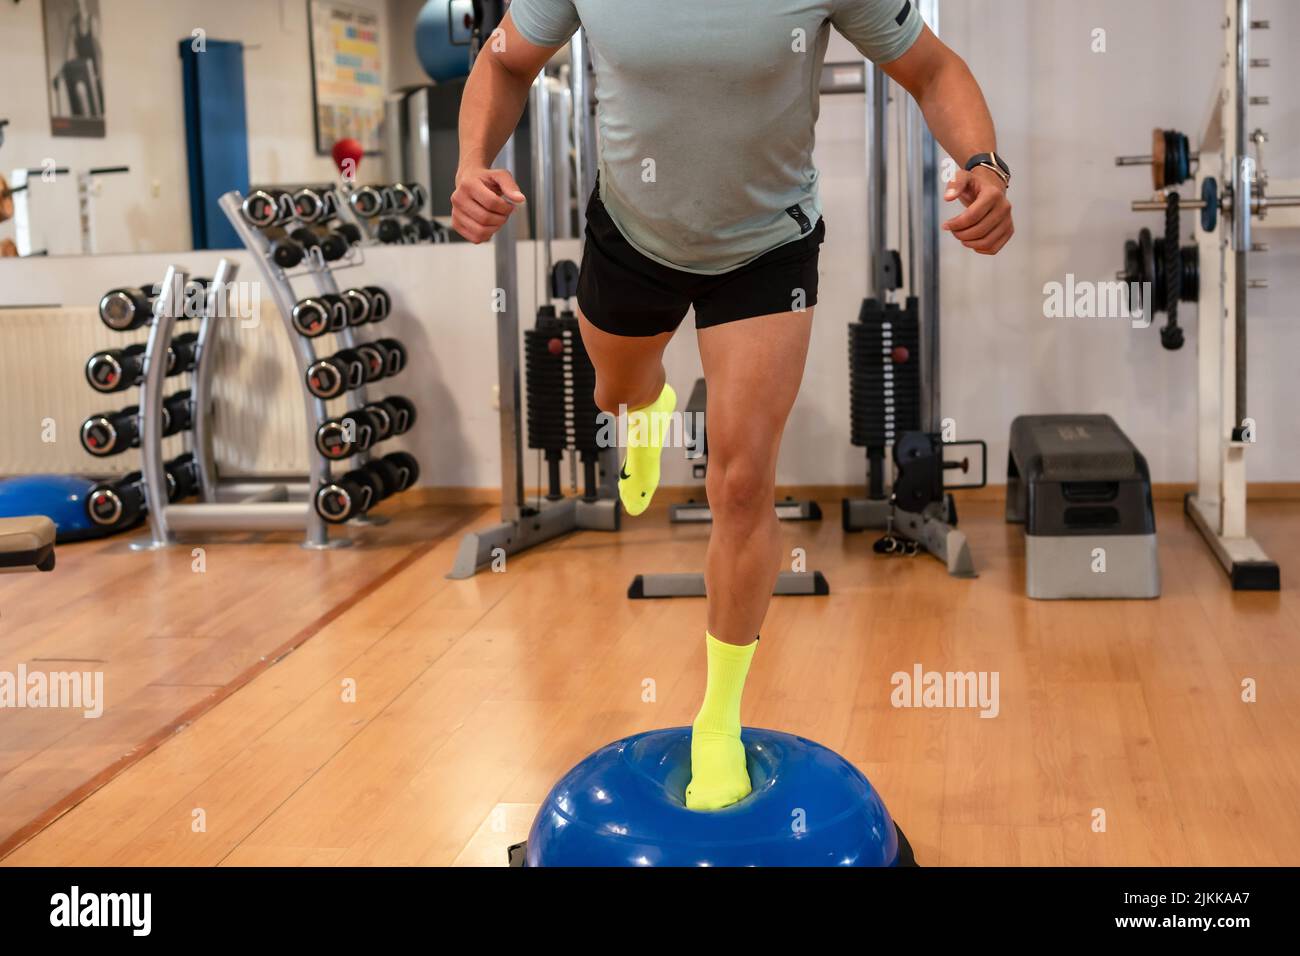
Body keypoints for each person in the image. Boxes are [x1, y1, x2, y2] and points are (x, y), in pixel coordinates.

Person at [452, 0, 1013, 811]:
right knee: (614, 390)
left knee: (742, 486)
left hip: (767, 245)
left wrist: (986, 164)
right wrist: (473, 161)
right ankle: (646, 407)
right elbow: (505, 61)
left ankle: (718, 716)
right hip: (633, 234)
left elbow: (932, 68)